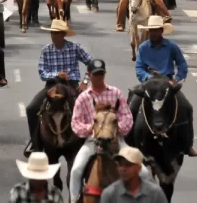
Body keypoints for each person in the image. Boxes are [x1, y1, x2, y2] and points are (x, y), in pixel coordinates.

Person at [69, 59, 134, 203]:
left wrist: (116, 129)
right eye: (95, 74)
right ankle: (74, 199)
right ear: (89, 75)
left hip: (116, 141)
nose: (98, 77)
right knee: (76, 170)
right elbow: (75, 122)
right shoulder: (83, 98)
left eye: (101, 74)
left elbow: (127, 117)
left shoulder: (116, 93)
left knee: (141, 170)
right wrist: (90, 128)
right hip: (93, 141)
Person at [132, 15, 197, 157]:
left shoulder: (171, 46)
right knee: (131, 105)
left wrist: (177, 80)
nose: (154, 33)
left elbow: (182, 65)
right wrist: (150, 78)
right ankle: (128, 142)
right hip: (149, 85)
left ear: (161, 31)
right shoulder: (143, 48)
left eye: (156, 30)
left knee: (187, 107)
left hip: (167, 84)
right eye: (152, 31)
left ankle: (188, 144)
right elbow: (139, 69)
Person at [26, 19, 92, 154]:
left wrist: (85, 82)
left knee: (89, 109)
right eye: (52, 33)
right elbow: (42, 72)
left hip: (71, 85)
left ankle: (90, 141)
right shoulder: (46, 50)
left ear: (63, 34)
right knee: (31, 108)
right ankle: (35, 143)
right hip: (51, 86)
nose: (53, 36)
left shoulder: (75, 47)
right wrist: (57, 75)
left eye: (56, 33)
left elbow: (91, 63)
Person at [100, 147, 168, 203]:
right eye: (120, 165)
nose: (123, 169)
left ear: (138, 168)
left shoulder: (155, 193)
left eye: (128, 165)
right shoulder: (109, 194)